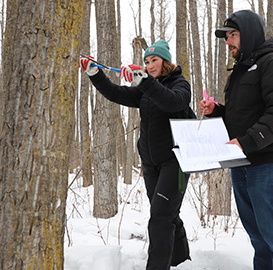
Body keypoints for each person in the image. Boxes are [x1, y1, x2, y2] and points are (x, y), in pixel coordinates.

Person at [199, 10, 273, 270]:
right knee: (259, 237)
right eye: (226, 37)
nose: (228, 42)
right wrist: (217, 111)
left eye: (233, 35)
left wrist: (246, 142)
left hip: (268, 161)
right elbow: (242, 117)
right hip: (243, 160)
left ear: (249, 35)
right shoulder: (241, 69)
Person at [80, 40, 192, 269]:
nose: (150, 65)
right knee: (167, 212)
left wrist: (144, 81)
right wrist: (95, 75)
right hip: (151, 163)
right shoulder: (145, 90)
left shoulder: (179, 84)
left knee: (160, 216)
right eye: (147, 62)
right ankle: (180, 261)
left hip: (176, 162)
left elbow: (173, 102)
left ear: (166, 62)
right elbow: (116, 93)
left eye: (155, 61)